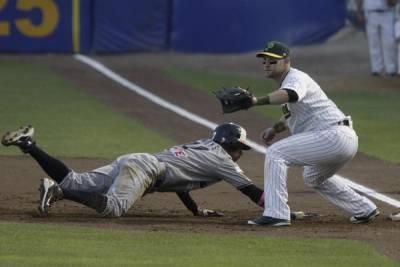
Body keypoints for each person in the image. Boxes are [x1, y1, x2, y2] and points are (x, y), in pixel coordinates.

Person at [2, 123, 289, 218]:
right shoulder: (224, 161)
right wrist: (279, 209)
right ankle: (59, 191)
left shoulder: (202, 146)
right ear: (230, 145)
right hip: (147, 168)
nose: (241, 153)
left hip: (136, 160)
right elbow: (252, 193)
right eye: (240, 147)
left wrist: (195, 211)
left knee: (77, 179)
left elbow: (181, 184)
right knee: (114, 209)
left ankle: (29, 144)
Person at [238, 41, 378, 226]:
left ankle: (276, 213)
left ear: (287, 61)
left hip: (333, 136)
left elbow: (290, 95)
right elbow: (292, 113)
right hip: (339, 138)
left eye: (272, 61)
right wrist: (274, 129)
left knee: (276, 153)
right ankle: (364, 208)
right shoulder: (288, 82)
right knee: (312, 176)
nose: (266, 64)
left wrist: (256, 101)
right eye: (264, 61)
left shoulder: (296, 78)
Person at [356, 0, 398, 76]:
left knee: (389, 42)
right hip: (370, 13)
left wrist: (392, 2)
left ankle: (391, 68)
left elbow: (393, 3)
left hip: (387, 13)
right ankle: (376, 68)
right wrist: (359, 12)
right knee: (373, 42)